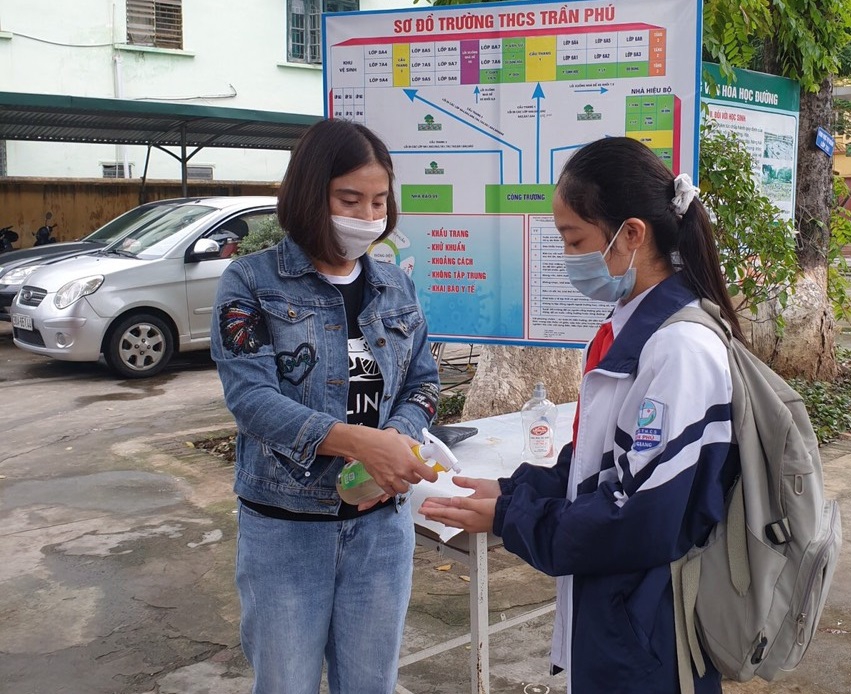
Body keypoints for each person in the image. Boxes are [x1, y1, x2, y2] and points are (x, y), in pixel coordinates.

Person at [420, 137, 743, 694]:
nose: (568, 256)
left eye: (575, 239)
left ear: (633, 234)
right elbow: (595, 460)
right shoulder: (633, 328)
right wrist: (512, 489)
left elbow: (636, 520)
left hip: (651, 633)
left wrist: (509, 518)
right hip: (618, 617)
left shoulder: (678, 351)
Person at [211, 119, 441, 694]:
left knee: (371, 685)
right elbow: (252, 401)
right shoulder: (252, 282)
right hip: (287, 531)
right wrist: (361, 443)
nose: (366, 215)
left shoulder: (395, 286)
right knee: (286, 682)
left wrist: (396, 442)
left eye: (379, 201)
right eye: (349, 199)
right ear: (311, 193)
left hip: (382, 531)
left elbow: (423, 382)